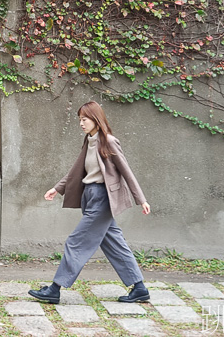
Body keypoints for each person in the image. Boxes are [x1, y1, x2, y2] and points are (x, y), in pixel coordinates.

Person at [29, 101, 151, 305]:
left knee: (76, 242)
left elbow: (126, 171)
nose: (81, 123)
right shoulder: (89, 141)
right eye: (79, 120)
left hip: (103, 199)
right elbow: (77, 170)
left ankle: (55, 289)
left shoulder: (109, 142)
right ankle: (139, 288)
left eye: (84, 119)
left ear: (96, 119)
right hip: (90, 196)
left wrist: (141, 199)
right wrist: (57, 188)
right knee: (114, 243)